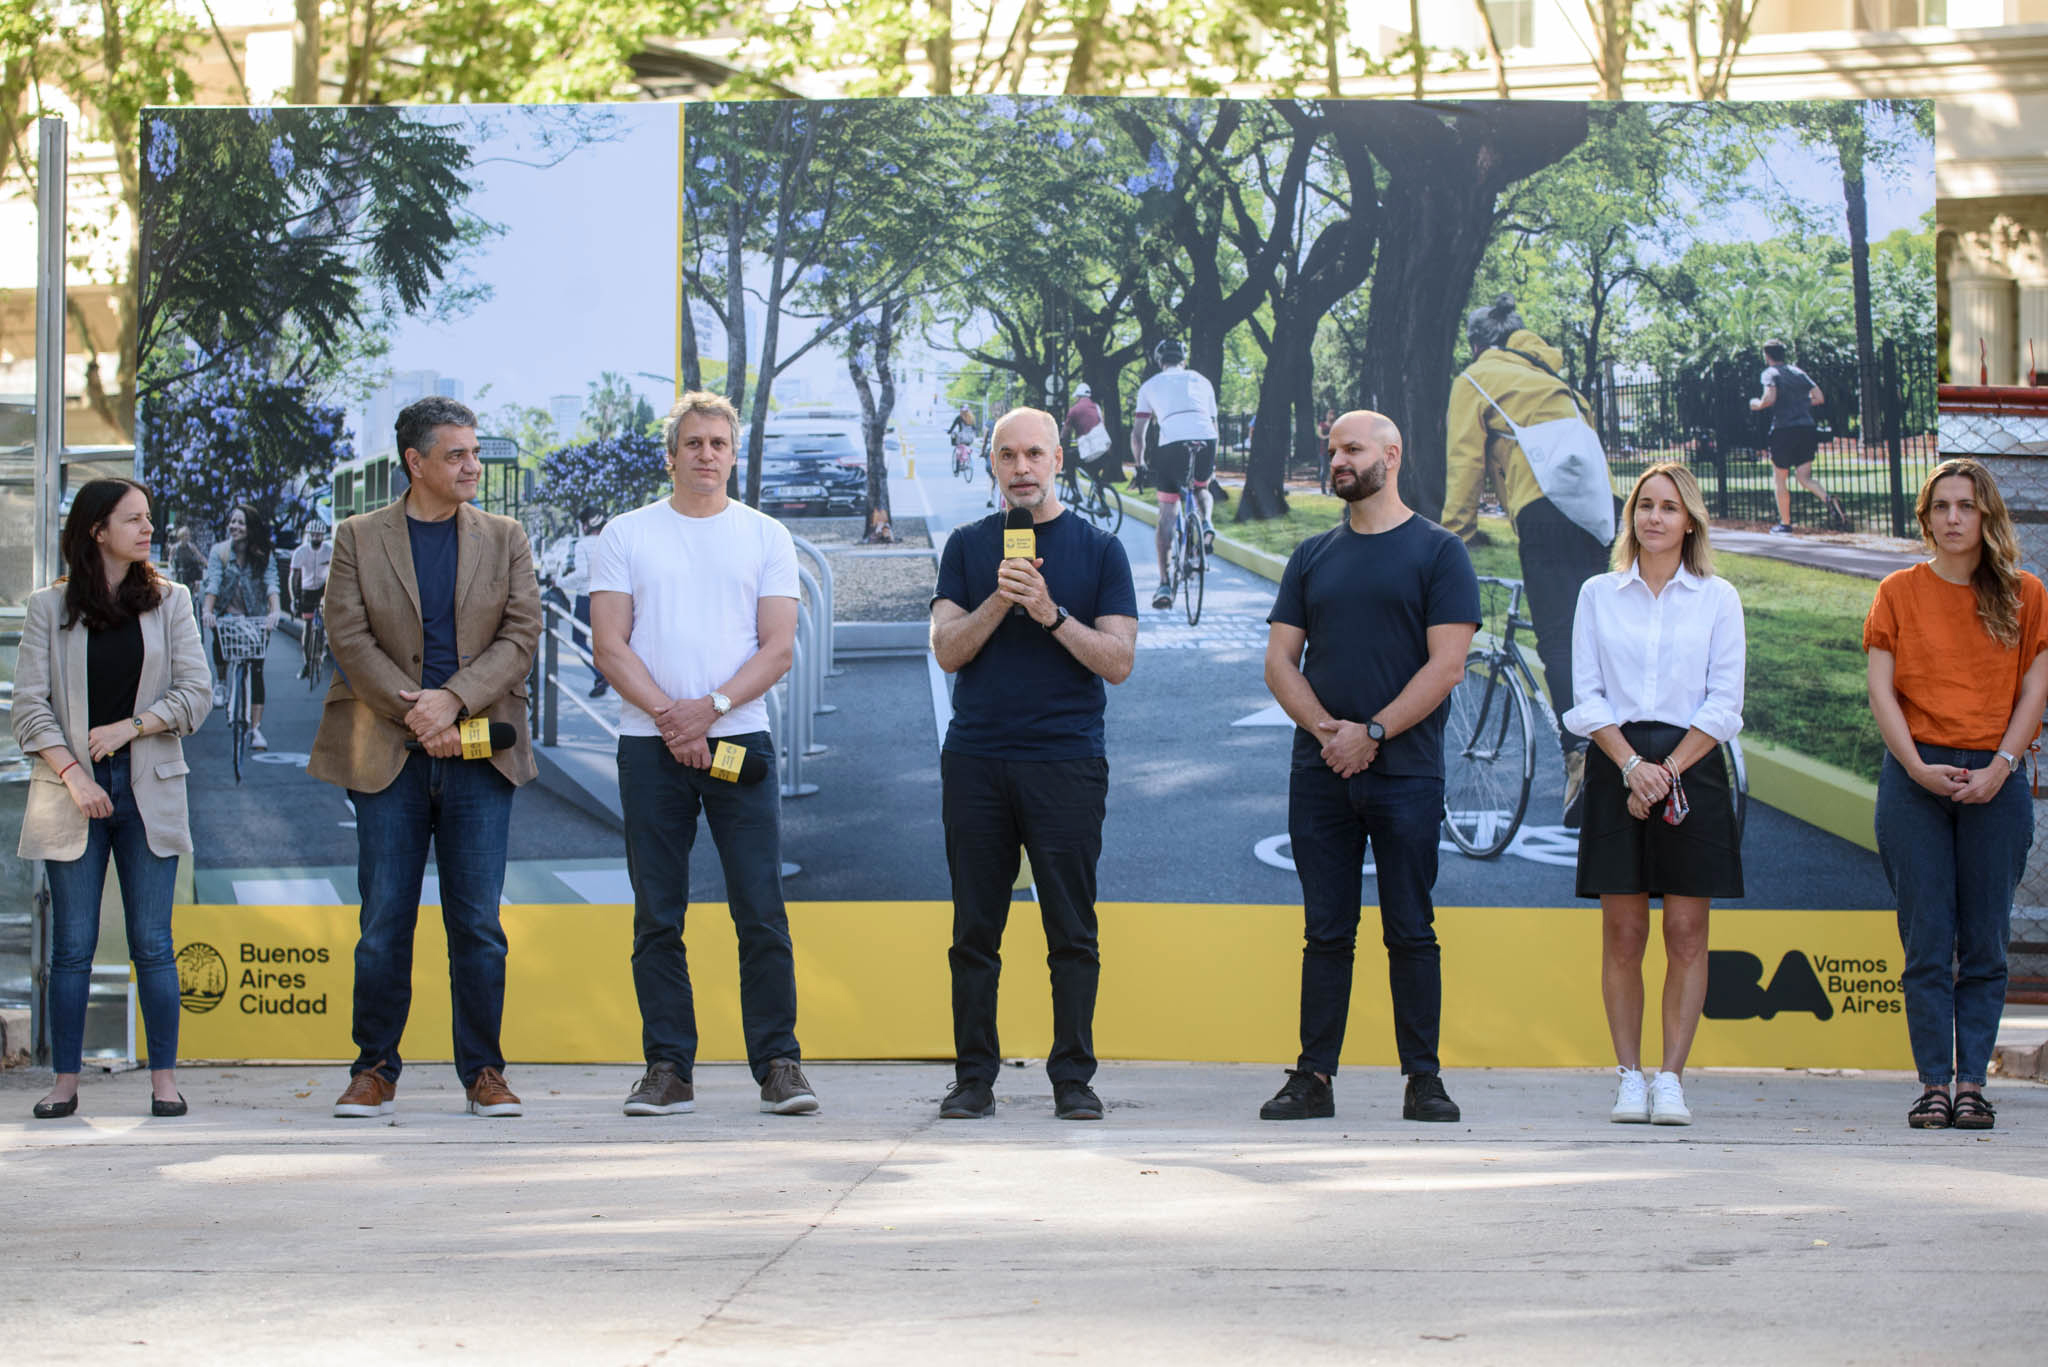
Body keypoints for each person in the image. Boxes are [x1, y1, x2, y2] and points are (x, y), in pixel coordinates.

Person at [589, 391, 819, 1119]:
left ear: (733, 453)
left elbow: (778, 648)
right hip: (649, 746)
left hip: (737, 742)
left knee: (760, 910)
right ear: (671, 455)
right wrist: (671, 718)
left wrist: (708, 710)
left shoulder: (765, 536)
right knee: (658, 914)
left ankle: (779, 1064)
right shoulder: (626, 534)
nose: (707, 454)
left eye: (719, 443)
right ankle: (668, 1069)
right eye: (693, 442)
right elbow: (609, 644)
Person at [310, 396, 540, 1121]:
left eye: (474, 453)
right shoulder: (357, 536)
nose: (472, 466)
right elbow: (348, 637)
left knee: (479, 926)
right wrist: (420, 712)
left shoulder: (506, 537)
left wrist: (455, 701)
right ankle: (373, 1069)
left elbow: (521, 635)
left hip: (481, 755)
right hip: (387, 751)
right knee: (384, 922)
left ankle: (485, 1072)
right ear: (415, 462)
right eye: (456, 455)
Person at [1259, 411, 1479, 1124]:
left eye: (1351, 449)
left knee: (1410, 928)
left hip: (1406, 773)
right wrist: (1330, 733)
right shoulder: (1311, 555)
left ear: (1393, 453)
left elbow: (1447, 666)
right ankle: (1313, 1078)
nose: (1338, 461)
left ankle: (1424, 1080)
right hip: (1321, 770)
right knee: (1326, 930)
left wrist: (1374, 732)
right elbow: (1279, 661)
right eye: (1332, 451)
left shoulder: (1440, 552)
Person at [930, 407, 1137, 1122]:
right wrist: (1001, 595)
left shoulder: (1100, 550)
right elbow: (947, 649)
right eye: (1007, 455)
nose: (1021, 468)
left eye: (1034, 454)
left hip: (1066, 761)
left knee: (1071, 932)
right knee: (974, 932)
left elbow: (1118, 661)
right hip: (977, 760)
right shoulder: (967, 546)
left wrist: (1048, 610)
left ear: (1058, 460)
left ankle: (1073, 1078)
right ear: (992, 463)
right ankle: (973, 1080)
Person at [14, 479, 212, 1118]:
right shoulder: (49, 608)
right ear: (97, 531)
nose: (148, 529)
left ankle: (164, 1083)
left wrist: (132, 727)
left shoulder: (172, 601)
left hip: (149, 788)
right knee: (72, 947)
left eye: (149, 518)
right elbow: (29, 709)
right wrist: (75, 775)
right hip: (73, 792)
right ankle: (64, 1085)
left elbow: (196, 695)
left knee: (152, 943)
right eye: (133, 520)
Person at [1865, 458, 2048, 1132]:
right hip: (1916, 779)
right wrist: (1915, 767)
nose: (1952, 518)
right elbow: (1881, 689)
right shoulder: (1897, 592)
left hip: (1995, 778)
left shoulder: (2026, 594)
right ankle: (1933, 1085)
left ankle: (1973, 1083)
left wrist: (2002, 766)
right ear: (1925, 518)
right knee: (1926, 939)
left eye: (1966, 505)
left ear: (1986, 515)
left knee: (1986, 940)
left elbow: (2035, 689)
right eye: (1940, 506)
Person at [1562, 462, 1747, 1127]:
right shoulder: (1598, 593)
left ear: (1690, 520)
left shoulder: (1718, 598)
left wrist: (1662, 771)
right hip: (1617, 764)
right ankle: (1629, 1077)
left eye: (1669, 507)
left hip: (1690, 764)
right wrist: (1632, 766)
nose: (1655, 517)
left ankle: (1671, 1078)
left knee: (1687, 931)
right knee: (1624, 931)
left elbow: (1725, 703)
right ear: (1631, 516)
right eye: (1645, 505)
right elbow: (1586, 697)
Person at [1444, 294, 1614, 826]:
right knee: (1596, 636)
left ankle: (1581, 758)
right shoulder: (1555, 378)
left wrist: (1454, 539)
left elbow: (1465, 462)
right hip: (1599, 513)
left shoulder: (1475, 379)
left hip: (1543, 512)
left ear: (1477, 345)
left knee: (1559, 639)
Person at [1131, 338, 1220, 608]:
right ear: (1184, 359)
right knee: (1202, 487)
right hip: (1206, 439)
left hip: (1171, 445)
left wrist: (1139, 464)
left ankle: (1164, 584)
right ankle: (1207, 523)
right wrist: (1212, 461)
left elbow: (1138, 434)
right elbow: (1214, 424)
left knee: (1167, 513)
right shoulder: (1202, 380)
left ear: (1160, 361)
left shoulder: (1150, 385)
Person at [200, 502, 281, 752]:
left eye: (240, 522)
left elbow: (271, 583)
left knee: (257, 670)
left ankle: (256, 729)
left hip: (255, 617)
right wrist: (208, 611)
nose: (234, 526)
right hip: (226, 613)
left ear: (251, 528)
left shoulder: (263, 554)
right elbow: (214, 583)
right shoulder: (220, 552)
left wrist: (275, 611)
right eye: (232, 521)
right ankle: (221, 681)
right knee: (218, 635)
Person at [1751, 339, 1846, 536]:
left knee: (1780, 478)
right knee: (1804, 477)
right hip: (1806, 429)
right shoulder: (1798, 372)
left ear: (1767, 356)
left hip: (1783, 430)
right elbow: (1819, 397)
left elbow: (1769, 398)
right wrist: (1800, 404)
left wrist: (1757, 404)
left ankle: (1785, 524)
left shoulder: (1770, 373)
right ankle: (1828, 499)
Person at [557, 506, 610, 698]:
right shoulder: (610, 541)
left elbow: (581, 573)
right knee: (606, 642)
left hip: (586, 598)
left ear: (586, 524)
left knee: (579, 640)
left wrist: (560, 582)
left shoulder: (582, 545)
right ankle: (607, 676)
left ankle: (601, 675)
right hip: (609, 599)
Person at [288, 520, 331, 679]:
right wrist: (294, 598)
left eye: (319, 535)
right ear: (309, 535)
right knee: (307, 625)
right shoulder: (300, 552)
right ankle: (306, 663)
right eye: (313, 535)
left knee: (326, 619)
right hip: (306, 590)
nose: (315, 538)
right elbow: (294, 577)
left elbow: (337, 572)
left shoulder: (330, 551)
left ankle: (324, 642)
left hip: (323, 589)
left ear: (323, 536)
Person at [1063, 383, 1111, 483]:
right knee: (1094, 473)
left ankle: (1074, 489)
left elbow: (1066, 433)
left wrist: (1062, 444)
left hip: (1090, 451)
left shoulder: (1074, 410)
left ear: (1078, 396)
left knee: (1068, 458)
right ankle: (1099, 488)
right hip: (1105, 449)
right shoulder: (1097, 407)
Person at [168, 523, 205, 598]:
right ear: (180, 536)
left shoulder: (191, 547)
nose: (187, 537)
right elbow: (170, 561)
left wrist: (207, 564)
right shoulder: (175, 548)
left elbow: (200, 557)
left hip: (190, 573)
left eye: (188, 535)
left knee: (192, 589)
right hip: (179, 573)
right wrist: (171, 569)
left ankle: (194, 597)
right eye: (185, 535)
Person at [948, 405, 979, 478]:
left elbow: (953, 427)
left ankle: (957, 470)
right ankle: (967, 460)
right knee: (966, 447)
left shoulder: (959, 418)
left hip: (962, 438)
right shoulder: (971, 418)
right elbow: (974, 428)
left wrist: (949, 431)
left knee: (958, 452)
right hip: (970, 438)